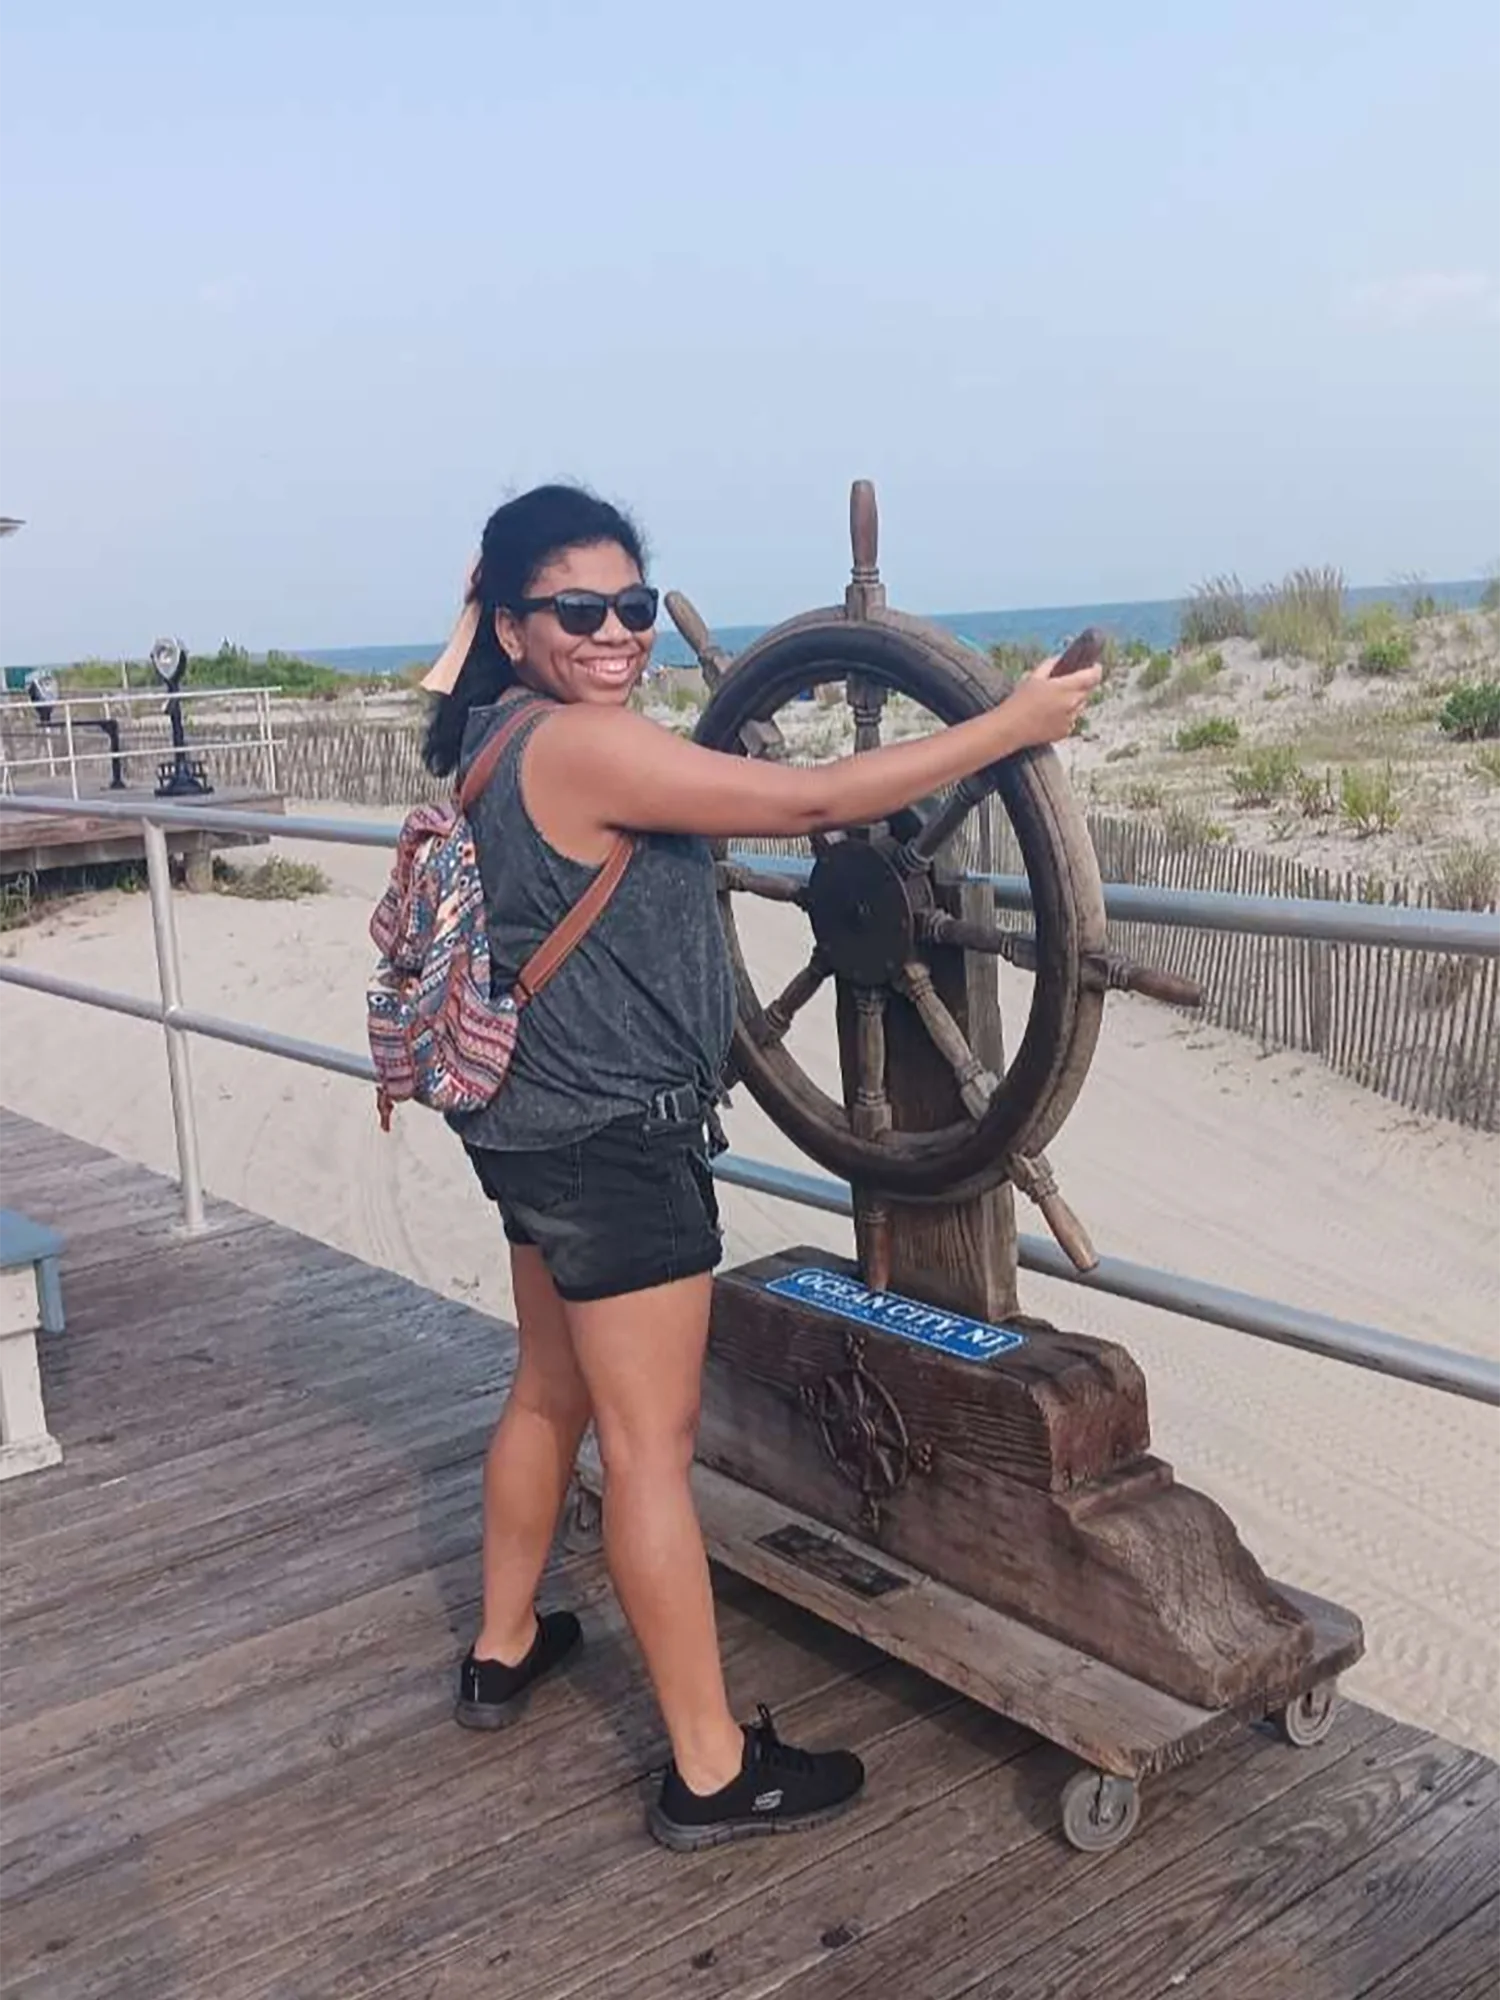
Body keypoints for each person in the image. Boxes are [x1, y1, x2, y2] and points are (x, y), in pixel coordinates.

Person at [420, 483, 1100, 1851]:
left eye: (629, 605)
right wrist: (1014, 729)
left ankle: (501, 1648)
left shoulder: (489, 736)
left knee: (548, 1387)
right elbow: (817, 796)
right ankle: (711, 1770)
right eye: (577, 610)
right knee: (653, 1456)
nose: (617, 631)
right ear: (508, 622)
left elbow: (510, 676)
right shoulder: (584, 750)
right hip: (616, 1144)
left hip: (525, 1125)